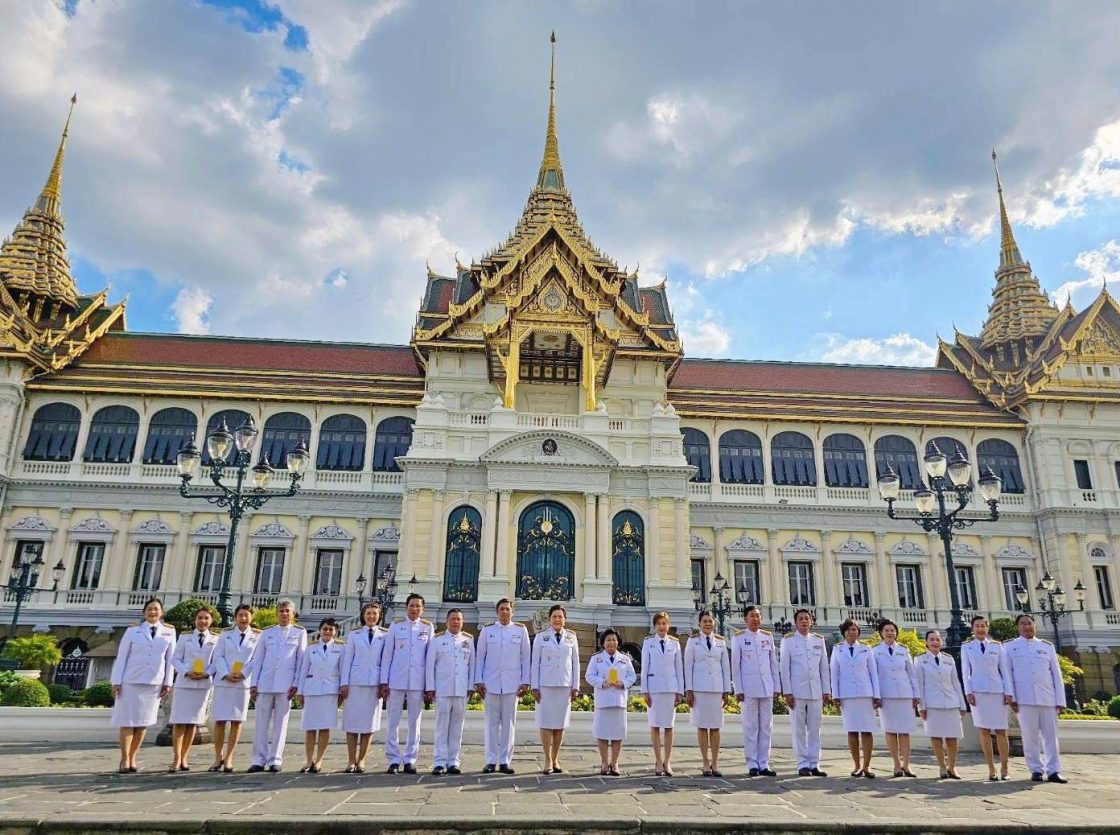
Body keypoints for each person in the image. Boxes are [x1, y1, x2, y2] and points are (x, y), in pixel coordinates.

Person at [110, 597, 176, 773]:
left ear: (162, 613)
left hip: (153, 683)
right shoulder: (133, 632)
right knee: (127, 721)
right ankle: (124, 759)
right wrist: (116, 681)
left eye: (156, 609)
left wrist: (168, 682)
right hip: (130, 681)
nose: (152, 612)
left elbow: (170, 660)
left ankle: (133, 757)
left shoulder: (169, 632)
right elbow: (122, 657)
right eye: (149, 609)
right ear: (144, 613)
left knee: (142, 723)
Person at [1003, 613, 1067, 783]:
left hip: (1047, 697)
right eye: (1023, 624)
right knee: (1029, 736)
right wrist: (1011, 697)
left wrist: (1060, 700)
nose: (1026, 626)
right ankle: (1035, 769)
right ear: (1018, 627)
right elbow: (1007, 674)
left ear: (1035, 625)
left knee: (1050, 736)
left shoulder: (1046, 646)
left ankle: (1054, 770)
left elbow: (1056, 675)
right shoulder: (1009, 647)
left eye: (1029, 623)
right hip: (1024, 698)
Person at [246, 598, 306, 773]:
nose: (284, 614)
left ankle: (275, 759)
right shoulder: (267, 633)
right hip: (265, 682)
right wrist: (254, 683)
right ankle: (258, 759)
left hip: (285, 684)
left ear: (293, 614)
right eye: (281, 611)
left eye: (287, 611)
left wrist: (296, 684)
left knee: (281, 724)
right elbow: (258, 660)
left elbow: (300, 660)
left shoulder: (299, 633)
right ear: (276, 614)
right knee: (261, 724)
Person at [474, 598, 530, 774]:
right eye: (502, 609)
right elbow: (480, 657)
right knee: (491, 724)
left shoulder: (520, 631)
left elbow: (526, 658)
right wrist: (478, 680)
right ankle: (490, 760)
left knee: (509, 724)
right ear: (497, 612)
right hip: (490, 683)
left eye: (507, 609)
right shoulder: (487, 630)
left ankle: (505, 761)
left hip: (512, 684)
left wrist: (525, 681)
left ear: (512, 612)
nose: (505, 612)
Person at [380, 592, 434, 774]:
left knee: (414, 722)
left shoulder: (428, 627)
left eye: (418, 606)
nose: (414, 609)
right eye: (411, 605)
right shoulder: (396, 626)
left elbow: (430, 658)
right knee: (392, 721)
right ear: (406, 607)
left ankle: (410, 758)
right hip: (396, 679)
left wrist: (429, 685)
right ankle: (393, 758)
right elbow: (387, 655)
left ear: (423, 609)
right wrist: (384, 681)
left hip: (417, 681)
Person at [961, 615, 1013, 781]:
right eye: (977, 626)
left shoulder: (997, 647)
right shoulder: (967, 647)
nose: (980, 629)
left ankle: (1004, 767)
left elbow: (1005, 670)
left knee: (1001, 730)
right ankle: (991, 768)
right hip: (978, 692)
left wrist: (1008, 692)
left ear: (987, 628)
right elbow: (965, 671)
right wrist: (968, 692)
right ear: (972, 629)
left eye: (983, 626)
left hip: (997, 690)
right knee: (983, 730)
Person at [529, 604, 580, 774]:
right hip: (545, 686)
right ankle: (547, 759)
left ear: (564, 620)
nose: (557, 619)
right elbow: (534, 663)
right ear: (549, 619)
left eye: (560, 617)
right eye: (554, 617)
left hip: (564, 686)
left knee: (560, 724)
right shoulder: (541, 637)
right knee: (545, 723)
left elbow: (575, 663)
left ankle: (556, 757)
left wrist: (576, 686)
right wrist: (534, 686)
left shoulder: (571, 637)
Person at [779, 608, 831, 777]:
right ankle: (802, 763)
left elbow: (824, 668)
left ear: (811, 621)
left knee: (815, 729)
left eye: (806, 619)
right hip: (797, 691)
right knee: (799, 729)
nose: (804, 621)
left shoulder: (818, 640)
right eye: (800, 619)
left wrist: (826, 690)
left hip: (815, 690)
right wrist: (787, 692)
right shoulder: (788, 641)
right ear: (796, 622)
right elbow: (784, 668)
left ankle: (814, 763)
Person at [425, 608, 475, 775]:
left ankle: (453, 761)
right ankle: (439, 761)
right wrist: (430, 687)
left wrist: (470, 687)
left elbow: (471, 666)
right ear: (447, 621)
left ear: (462, 622)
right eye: (453, 619)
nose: (455, 622)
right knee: (441, 726)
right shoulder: (437, 640)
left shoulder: (468, 640)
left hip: (461, 689)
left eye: (458, 619)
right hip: (443, 689)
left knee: (456, 728)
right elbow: (430, 665)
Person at [209, 603, 258, 773]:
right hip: (224, 680)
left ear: (252, 617)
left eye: (246, 615)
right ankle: (218, 756)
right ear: (235, 617)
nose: (243, 618)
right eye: (240, 615)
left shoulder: (257, 636)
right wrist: (225, 673)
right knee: (220, 720)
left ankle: (229, 757)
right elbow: (218, 655)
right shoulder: (226, 634)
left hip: (242, 682)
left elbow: (256, 659)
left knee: (237, 721)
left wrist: (243, 673)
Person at [168, 606, 219, 772]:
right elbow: (175, 659)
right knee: (179, 721)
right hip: (185, 682)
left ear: (211, 621)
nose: (203, 621)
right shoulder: (185, 637)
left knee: (192, 723)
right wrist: (186, 671)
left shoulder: (216, 639)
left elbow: (216, 660)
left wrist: (207, 673)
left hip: (202, 684)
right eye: (200, 618)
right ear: (195, 620)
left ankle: (184, 757)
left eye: (206, 618)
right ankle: (176, 758)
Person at [731, 605, 779, 777]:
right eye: (752, 616)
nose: (755, 619)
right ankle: (752, 762)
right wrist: (738, 688)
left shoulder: (767, 637)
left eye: (758, 616)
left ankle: (764, 762)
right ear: (745, 619)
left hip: (766, 687)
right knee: (751, 726)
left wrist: (776, 686)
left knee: (766, 727)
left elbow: (773, 664)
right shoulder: (739, 638)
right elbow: (735, 666)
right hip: (749, 688)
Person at [830, 618, 880, 778]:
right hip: (847, 694)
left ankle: (867, 765)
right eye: (849, 630)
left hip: (865, 693)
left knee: (867, 731)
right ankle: (857, 765)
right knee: (852, 731)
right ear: (844, 632)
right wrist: (836, 695)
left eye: (854, 629)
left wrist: (876, 695)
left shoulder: (866, 649)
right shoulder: (838, 649)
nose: (852, 632)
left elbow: (873, 673)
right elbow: (834, 674)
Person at [683, 610, 731, 777]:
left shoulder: (720, 642)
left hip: (716, 688)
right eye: (705, 621)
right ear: (699, 624)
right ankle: (705, 761)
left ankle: (715, 762)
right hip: (700, 689)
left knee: (716, 727)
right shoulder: (693, 641)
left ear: (714, 623)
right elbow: (688, 666)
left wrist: (727, 690)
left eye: (710, 621)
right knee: (702, 726)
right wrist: (688, 689)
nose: (708, 624)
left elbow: (725, 667)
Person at [914, 630, 967, 779]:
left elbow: (955, 682)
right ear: (926, 642)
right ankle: (942, 766)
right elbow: (919, 684)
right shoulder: (920, 660)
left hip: (950, 701)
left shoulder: (948, 659)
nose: (935, 642)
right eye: (931, 639)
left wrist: (962, 704)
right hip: (932, 703)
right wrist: (921, 707)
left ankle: (952, 766)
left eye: (937, 639)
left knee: (952, 736)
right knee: (936, 736)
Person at [341, 602, 386, 773]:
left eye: (374, 614)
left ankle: (362, 760)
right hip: (355, 683)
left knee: (369, 725)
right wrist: (344, 683)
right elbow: (347, 660)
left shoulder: (384, 635)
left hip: (374, 683)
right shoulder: (354, 635)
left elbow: (385, 660)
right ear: (363, 615)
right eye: (368, 613)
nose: (371, 617)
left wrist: (384, 683)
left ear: (379, 616)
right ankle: (351, 760)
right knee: (352, 723)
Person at [296, 617, 344, 773]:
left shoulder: (341, 648)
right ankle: (308, 760)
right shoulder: (311, 649)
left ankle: (319, 760)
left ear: (336, 632)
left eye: (331, 629)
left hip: (330, 690)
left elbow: (343, 671)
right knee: (310, 728)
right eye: (325, 629)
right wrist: (300, 691)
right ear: (320, 631)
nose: (328, 632)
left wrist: (342, 692)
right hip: (312, 690)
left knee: (324, 727)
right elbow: (303, 671)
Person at [586, 628, 636, 776]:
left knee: (617, 734)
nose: (611, 643)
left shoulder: (625, 659)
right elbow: (589, 676)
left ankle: (614, 763)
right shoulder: (596, 659)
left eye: (614, 640)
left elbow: (632, 676)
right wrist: (602, 682)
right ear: (603, 642)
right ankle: (604, 762)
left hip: (618, 700)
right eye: (608, 640)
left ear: (618, 642)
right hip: (603, 699)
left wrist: (623, 683)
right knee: (602, 733)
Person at [872, 619, 918, 778]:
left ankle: (906, 764)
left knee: (905, 731)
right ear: (881, 633)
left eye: (892, 630)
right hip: (886, 696)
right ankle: (896, 764)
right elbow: (874, 676)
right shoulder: (875, 651)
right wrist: (876, 696)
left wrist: (916, 695)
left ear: (896, 633)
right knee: (890, 731)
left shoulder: (903, 650)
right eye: (886, 630)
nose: (889, 633)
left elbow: (912, 674)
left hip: (904, 694)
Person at [640, 611, 684, 777]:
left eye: (664, 624)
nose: (662, 627)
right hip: (655, 688)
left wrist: (680, 690)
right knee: (655, 725)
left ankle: (668, 760)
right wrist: (645, 691)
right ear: (655, 626)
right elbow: (645, 668)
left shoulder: (674, 643)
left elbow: (678, 668)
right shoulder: (648, 643)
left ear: (668, 625)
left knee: (669, 726)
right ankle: (658, 759)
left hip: (670, 688)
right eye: (659, 624)